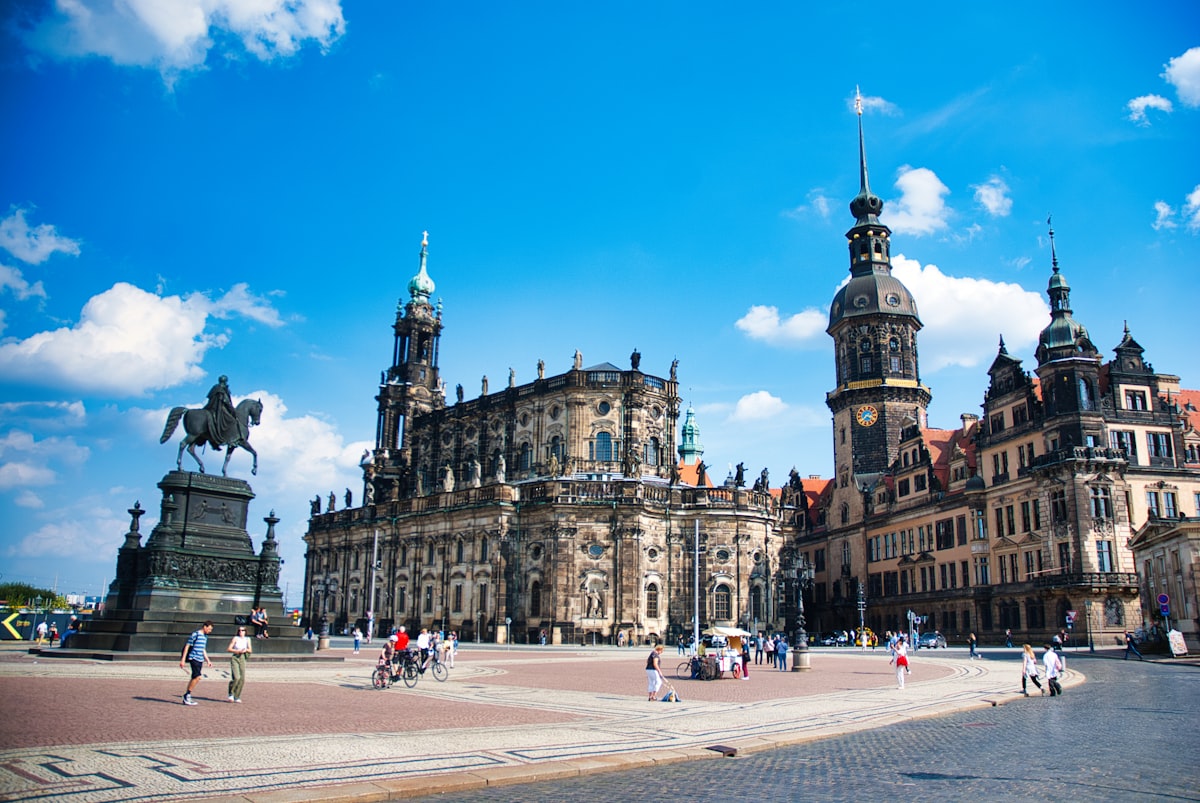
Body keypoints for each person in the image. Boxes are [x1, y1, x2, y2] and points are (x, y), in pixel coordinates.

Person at [181, 621, 215, 705]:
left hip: (200, 659)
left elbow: (203, 649)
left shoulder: (205, 636)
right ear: (205, 627)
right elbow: (187, 646)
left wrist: (208, 660)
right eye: (209, 629)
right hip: (194, 657)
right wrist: (183, 659)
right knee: (197, 677)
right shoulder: (195, 634)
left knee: (195, 677)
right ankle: (187, 695)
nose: (210, 631)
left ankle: (187, 695)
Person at [226, 625, 251, 702]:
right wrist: (237, 651)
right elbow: (229, 649)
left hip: (242, 657)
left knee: (242, 679)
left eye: (242, 630)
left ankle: (237, 696)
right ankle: (231, 693)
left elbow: (250, 650)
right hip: (235, 657)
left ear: (245, 632)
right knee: (236, 677)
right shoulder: (235, 638)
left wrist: (245, 650)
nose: (241, 632)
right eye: (239, 630)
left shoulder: (247, 639)